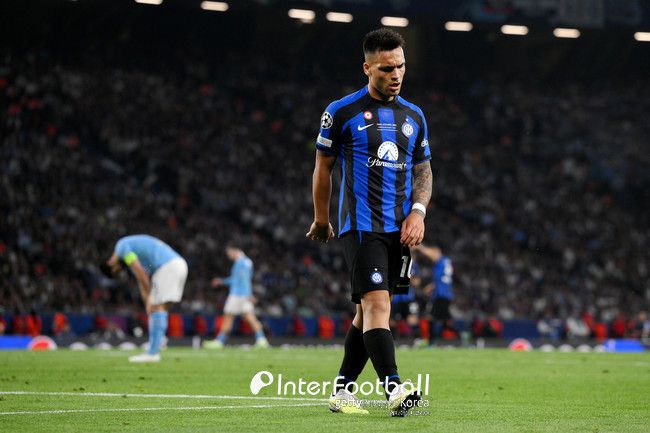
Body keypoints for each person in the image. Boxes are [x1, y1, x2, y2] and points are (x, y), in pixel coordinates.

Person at [306, 28, 432, 416]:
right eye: (386, 68)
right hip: (361, 227)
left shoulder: (414, 116)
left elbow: (423, 170)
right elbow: (323, 168)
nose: (396, 75)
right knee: (378, 306)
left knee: (365, 315)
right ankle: (395, 388)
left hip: (400, 231)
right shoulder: (341, 112)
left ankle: (341, 391)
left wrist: (418, 211)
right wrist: (322, 219)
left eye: (401, 67)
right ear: (367, 68)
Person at [101, 234, 188, 362]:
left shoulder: (121, 248)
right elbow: (142, 278)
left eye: (116, 269)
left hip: (167, 267)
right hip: (178, 264)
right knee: (160, 308)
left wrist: (150, 297)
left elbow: (141, 274)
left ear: (110, 262)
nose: (119, 269)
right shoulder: (133, 254)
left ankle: (153, 352)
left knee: (156, 307)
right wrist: (147, 300)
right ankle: (159, 340)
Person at [204, 244, 269, 349]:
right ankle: (262, 340)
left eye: (229, 252)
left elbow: (242, 279)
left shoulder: (241, 262)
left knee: (228, 317)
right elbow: (241, 279)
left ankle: (219, 341)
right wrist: (221, 281)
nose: (228, 255)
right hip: (244, 294)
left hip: (237, 294)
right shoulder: (247, 262)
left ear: (234, 250)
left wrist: (248, 294)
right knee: (250, 317)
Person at [413, 244, 455, 346]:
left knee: (431, 317)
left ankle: (432, 342)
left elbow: (431, 254)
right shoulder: (446, 261)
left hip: (440, 294)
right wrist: (431, 287)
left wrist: (419, 246)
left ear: (437, 252)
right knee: (445, 319)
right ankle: (454, 339)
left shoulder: (441, 261)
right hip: (447, 293)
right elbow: (441, 278)